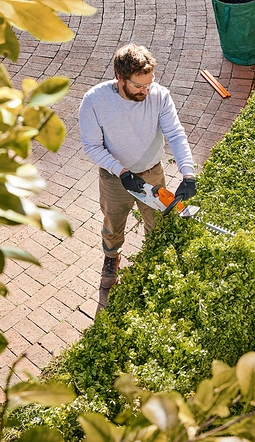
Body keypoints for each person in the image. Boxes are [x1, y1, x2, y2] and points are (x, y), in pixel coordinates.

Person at [78, 44, 197, 309]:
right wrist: (121, 172)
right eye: (138, 86)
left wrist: (188, 173)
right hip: (115, 178)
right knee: (113, 222)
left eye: (149, 84)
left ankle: (153, 263)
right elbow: (92, 146)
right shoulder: (95, 101)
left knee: (158, 224)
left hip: (152, 172)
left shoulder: (159, 95)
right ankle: (111, 258)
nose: (146, 90)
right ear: (120, 78)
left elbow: (175, 134)